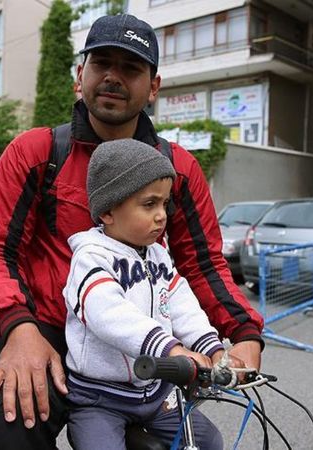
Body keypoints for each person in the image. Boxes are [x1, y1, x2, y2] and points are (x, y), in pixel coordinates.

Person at [0, 13, 265, 449]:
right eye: (101, 63)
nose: (113, 77)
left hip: (140, 340)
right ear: (79, 75)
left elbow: (200, 265)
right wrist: (17, 327)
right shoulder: (35, 152)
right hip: (43, 330)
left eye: (130, 68)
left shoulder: (179, 169)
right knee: (11, 434)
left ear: (154, 87)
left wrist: (244, 334)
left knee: (198, 441)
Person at [64, 138, 224, 449]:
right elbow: (108, 314)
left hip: (155, 392)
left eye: (164, 203)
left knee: (209, 442)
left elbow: (181, 304)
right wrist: (172, 351)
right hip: (100, 397)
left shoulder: (158, 254)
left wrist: (211, 348)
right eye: (149, 204)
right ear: (108, 211)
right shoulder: (91, 258)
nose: (162, 214)